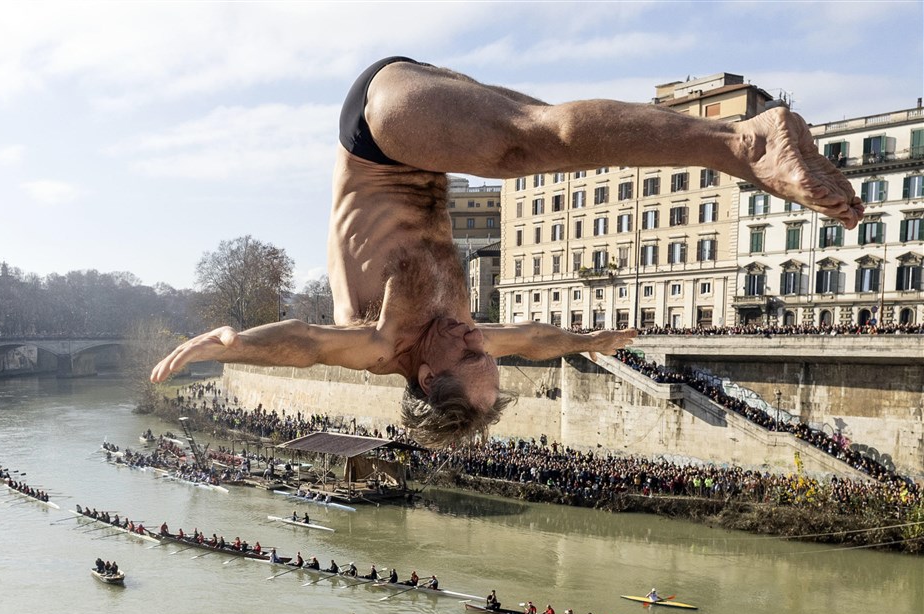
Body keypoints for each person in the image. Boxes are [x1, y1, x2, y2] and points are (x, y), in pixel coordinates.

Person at [148, 57, 862, 448]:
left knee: (525, 143)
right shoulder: (460, 341)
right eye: (484, 351)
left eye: (469, 353)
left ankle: (746, 143)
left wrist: (229, 343)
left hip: (376, 128)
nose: (477, 337)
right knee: (539, 138)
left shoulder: (377, 343)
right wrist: (595, 339)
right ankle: (751, 144)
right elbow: (539, 341)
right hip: (426, 128)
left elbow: (303, 345)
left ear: (425, 374)